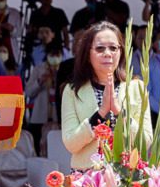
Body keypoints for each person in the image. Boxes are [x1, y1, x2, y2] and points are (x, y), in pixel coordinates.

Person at [59, 22, 151, 170]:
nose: (107, 53)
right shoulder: (72, 91)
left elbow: (145, 141)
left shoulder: (136, 87)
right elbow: (71, 144)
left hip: (127, 177)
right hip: (87, 179)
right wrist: (100, 114)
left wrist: (119, 112)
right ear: (88, 55)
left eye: (113, 48)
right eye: (100, 48)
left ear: (121, 52)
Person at [23, 27, 65, 154]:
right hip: (40, 117)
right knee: (38, 147)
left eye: (57, 55)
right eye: (51, 55)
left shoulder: (65, 69)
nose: (54, 58)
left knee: (57, 149)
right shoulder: (39, 69)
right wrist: (40, 81)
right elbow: (28, 92)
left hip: (59, 117)